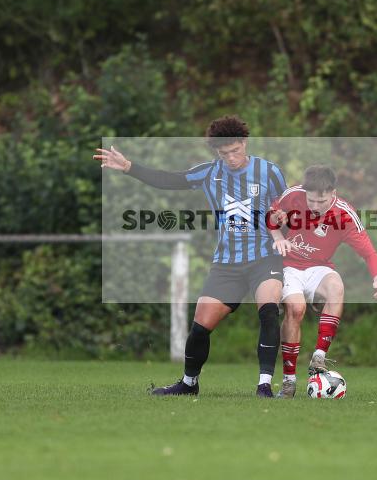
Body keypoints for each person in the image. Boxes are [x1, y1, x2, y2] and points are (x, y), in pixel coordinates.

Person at [94, 116, 287, 397]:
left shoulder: (269, 172)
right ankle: (188, 384)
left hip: (264, 258)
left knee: (269, 311)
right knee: (201, 325)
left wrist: (284, 223)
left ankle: (264, 385)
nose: (231, 158)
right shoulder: (209, 173)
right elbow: (169, 180)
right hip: (227, 263)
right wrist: (128, 167)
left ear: (244, 143)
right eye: (224, 153)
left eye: (235, 150)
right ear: (216, 153)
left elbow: (290, 206)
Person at [267, 165, 377, 398]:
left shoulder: (344, 215)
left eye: (321, 202)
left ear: (333, 192)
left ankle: (319, 357)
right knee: (296, 309)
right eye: (311, 201)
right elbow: (270, 216)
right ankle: (289, 381)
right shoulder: (293, 195)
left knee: (336, 286)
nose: (315, 206)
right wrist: (278, 236)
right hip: (289, 266)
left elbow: (369, 253)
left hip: (318, 267)